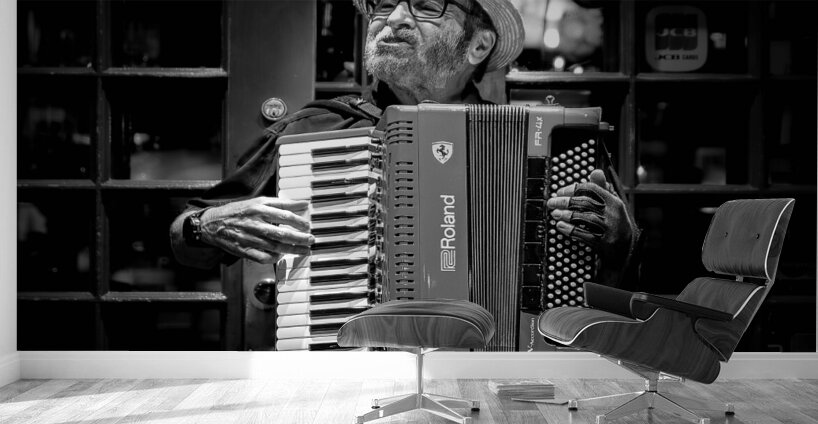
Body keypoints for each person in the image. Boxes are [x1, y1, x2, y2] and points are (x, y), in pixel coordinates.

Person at [170, 0, 640, 331]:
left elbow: (621, 279)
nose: (392, 19)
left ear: (477, 46)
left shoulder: (548, 141)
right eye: (382, 4)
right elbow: (188, 238)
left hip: (498, 369)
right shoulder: (317, 129)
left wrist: (618, 237)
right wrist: (205, 224)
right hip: (348, 368)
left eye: (425, 5)